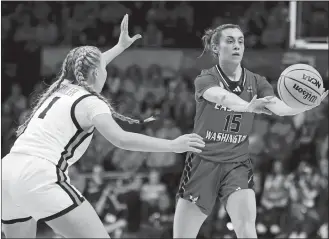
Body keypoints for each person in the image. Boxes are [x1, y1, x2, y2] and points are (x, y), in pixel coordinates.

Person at [1, 14, 205, 238]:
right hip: (38, 173)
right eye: (103, 69)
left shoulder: (61, 88)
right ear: (97, 73)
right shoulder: (90, 101)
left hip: (7, 171)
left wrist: (119, 47)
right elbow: (121, 139)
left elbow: (90, 66)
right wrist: (173, 145)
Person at [173, 24, 328, 238]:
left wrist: (304, 106)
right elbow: (222, 97)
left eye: (240, 41)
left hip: (237, 164)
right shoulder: (205, 78)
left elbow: (278, 108)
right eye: (230, 41)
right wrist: (247, 106)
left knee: (246, 227)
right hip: (203, 163)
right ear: (216, 48)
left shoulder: (257, 82)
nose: (237, 45)